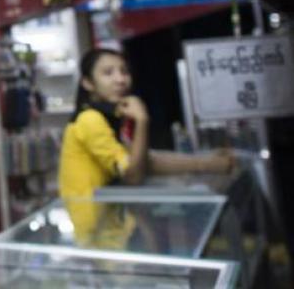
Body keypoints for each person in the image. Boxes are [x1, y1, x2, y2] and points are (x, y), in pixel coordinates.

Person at [59, 48, 232, 198]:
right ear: (88, 83)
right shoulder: (89, 119)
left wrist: (206, 162)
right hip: (94, 225)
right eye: (108, 73)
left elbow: (145, 159)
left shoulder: (111, 115)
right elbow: (134, 175)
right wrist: (142, 120)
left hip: (109, 220)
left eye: (124, 71)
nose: (120, 80)